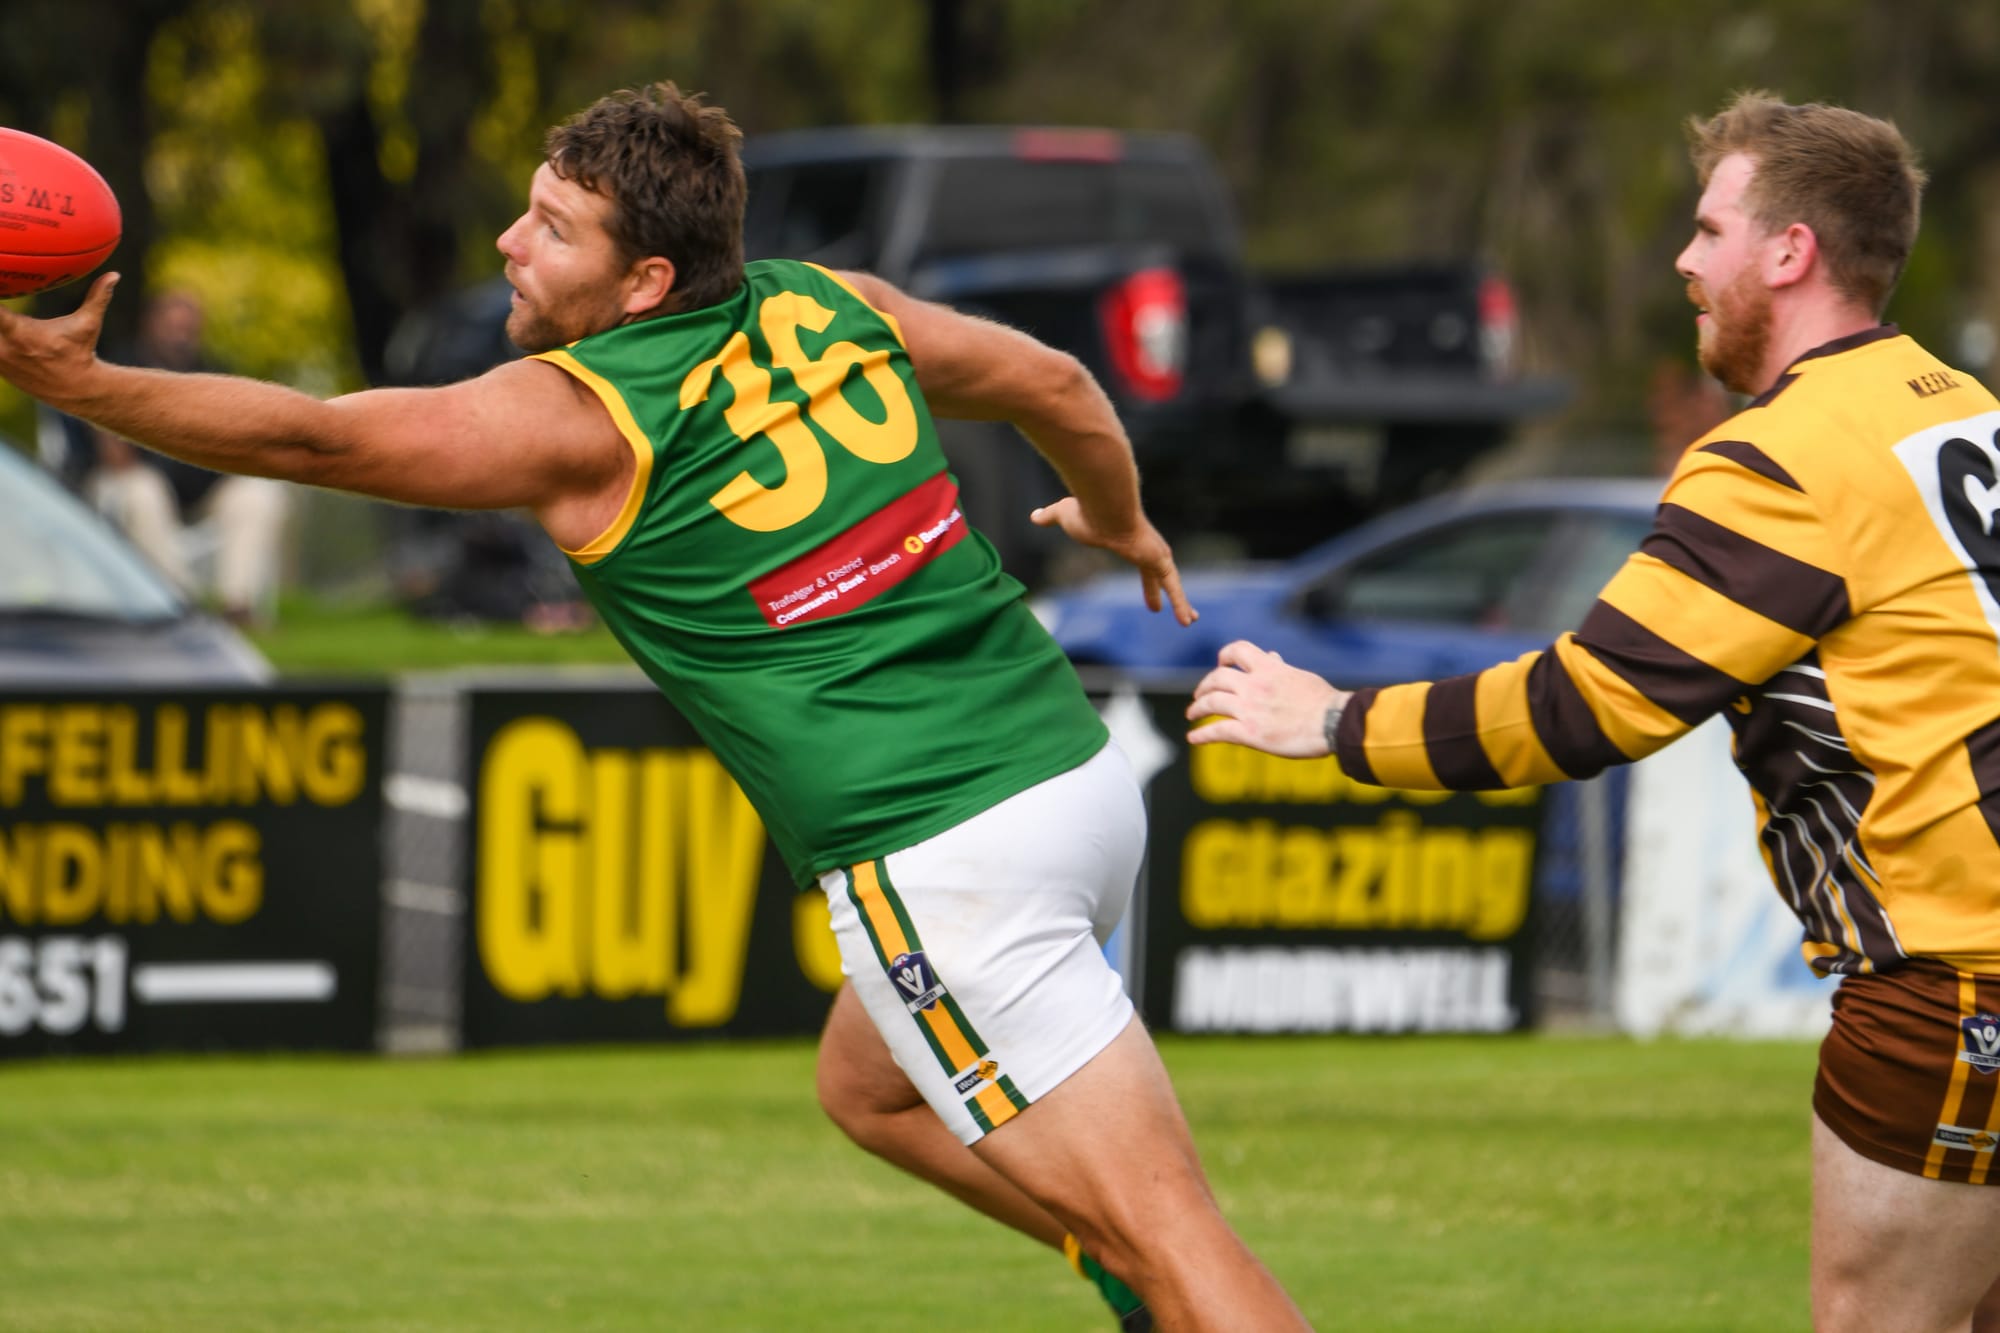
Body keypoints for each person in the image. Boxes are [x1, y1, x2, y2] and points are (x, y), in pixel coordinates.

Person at [0, 83, 1308, 1331]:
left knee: (1179, 1234)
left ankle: (1153, 1272)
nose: (510, 244)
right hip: (1074, 783)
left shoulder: (583, 420)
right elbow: (1057, 384)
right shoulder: (831, 303)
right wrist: (1118, 516)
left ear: (644, 284)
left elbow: (314, 439)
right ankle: (1129, 1272)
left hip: (948, 858)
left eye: (552, 229)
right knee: (871, 1092)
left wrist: (83, 386)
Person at [1188, 90, 2000, 1333]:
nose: (1683, 260)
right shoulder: (1960, 408)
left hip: (1953, 974)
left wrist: (1334, 722)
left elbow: (1583, 706)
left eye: (1708, 229)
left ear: (1789, 252)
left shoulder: (1781, 455)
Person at [52, 292, 290, 624]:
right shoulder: (117, 367)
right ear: (150, 325)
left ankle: (238, 605)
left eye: (187, 329)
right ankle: (181, 605)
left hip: (201, 485)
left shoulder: (215, 373)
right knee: (142, 491)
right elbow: (114, 456)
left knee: (259, 494)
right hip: (127, 483)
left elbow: (240, 445)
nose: (180, 336)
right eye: (172, 327)